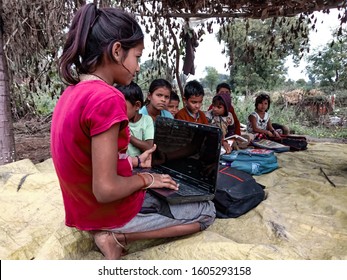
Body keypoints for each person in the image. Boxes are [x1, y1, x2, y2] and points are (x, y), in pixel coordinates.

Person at [50, 3, 216, 260]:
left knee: (160, 180)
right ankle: (118, 236)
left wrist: (138, 164)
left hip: (80, 209)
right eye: (137, 57)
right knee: (207, 209)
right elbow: (105, 189)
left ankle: (114, 226)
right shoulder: (107, 98)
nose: (138, 67)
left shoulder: (71, 93)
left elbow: (91, 161)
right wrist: (146, 180)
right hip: (105, 212)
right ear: (117, 51)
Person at [116, 82, 154, 157]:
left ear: (137, 105)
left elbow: (149, 147)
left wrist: (127, 134)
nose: (117, 110)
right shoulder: (117, 121)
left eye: (121, 106)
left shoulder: (146, 120)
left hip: (141, 165)